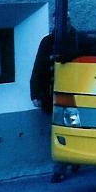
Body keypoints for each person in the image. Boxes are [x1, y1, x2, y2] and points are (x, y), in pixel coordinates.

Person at [30, 31, 78, 183]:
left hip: (69, 96)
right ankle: (67, 164)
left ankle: (63, 167)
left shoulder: (76, 39)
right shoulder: (48, 41)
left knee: (63, 130)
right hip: (52, 96)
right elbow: (39, 67)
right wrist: (35, 93)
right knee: (58, 132)